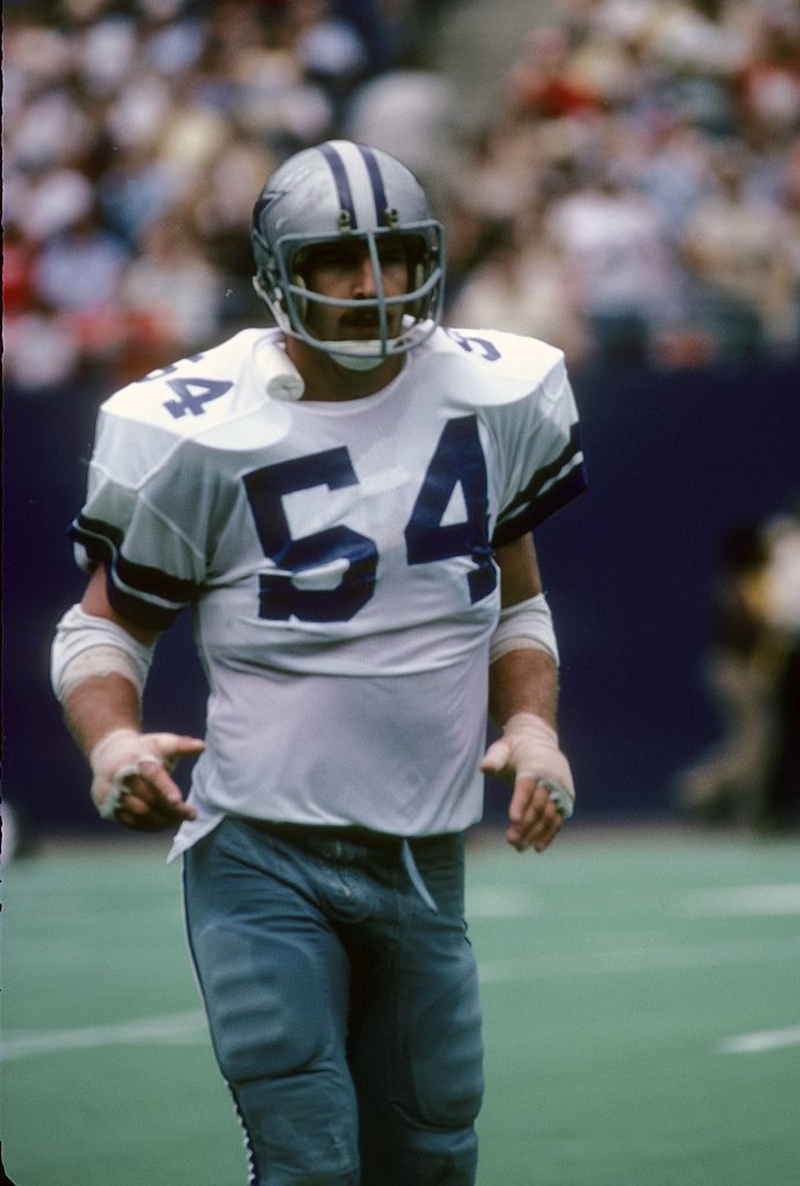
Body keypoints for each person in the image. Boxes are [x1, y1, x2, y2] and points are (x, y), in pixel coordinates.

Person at [50, 139, 587, 1185]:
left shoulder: (497, 392)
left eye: (394, 251)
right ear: (275, 271)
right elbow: (102, 627)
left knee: (432, 1158)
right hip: (262, 855)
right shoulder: (198, 428)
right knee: (309, 1165)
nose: (374, 282)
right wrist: (110, 739)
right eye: (341, 256)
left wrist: (530, 726)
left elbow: (514, 602)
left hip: (426, 859)